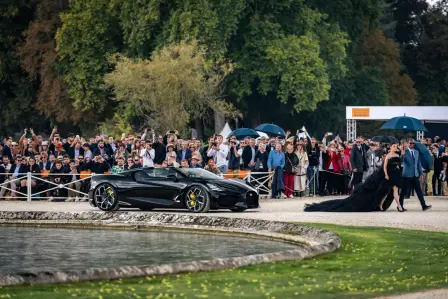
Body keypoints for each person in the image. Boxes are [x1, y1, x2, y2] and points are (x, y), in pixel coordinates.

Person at [304, 143, 405, 212]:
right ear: (391, 147)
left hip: (393, 176)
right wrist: (386, 175)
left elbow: (399, 164)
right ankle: (382, 205)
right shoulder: (387, 155)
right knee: (379, 191)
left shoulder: (397, 155)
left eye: (396, 146)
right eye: (394, 146)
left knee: (392, 192)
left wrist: (401, 151)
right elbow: (384, 166)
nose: (395, 147)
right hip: (384, 175)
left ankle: (397, 206)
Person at [398, 139, 432, 211]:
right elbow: (401, 161)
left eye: (413, 143)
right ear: (407, 144)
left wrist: (421, 173)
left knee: (419, 191)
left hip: (415, 175)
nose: (411, 144)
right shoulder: (404, 152)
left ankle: (423, 205)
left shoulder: (416, 152)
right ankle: (400, 206)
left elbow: (418, 164)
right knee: (403, 191)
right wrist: (402, 154)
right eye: (410, 143)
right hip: (406, 175)